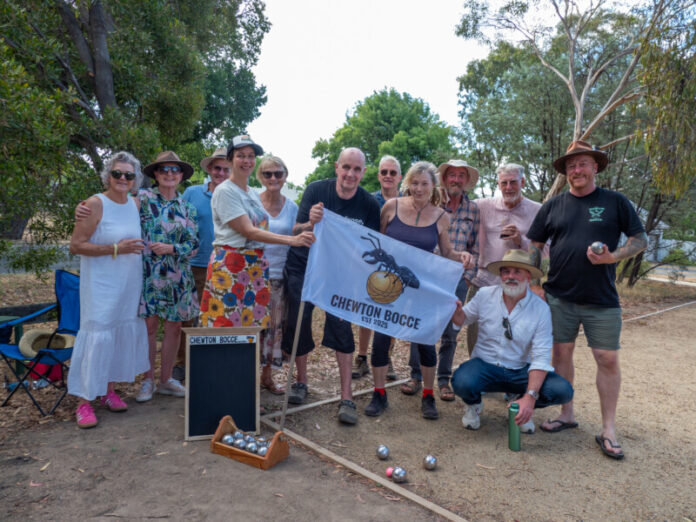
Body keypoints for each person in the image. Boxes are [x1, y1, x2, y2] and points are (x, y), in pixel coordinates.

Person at [527, 140, 647, 460]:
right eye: (570, 166)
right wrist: (535, 282)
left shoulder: (615, 202)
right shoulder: (553, 205)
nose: (576, 170)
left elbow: (640, 240)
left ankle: (608, 428)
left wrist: (612, 258)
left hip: (602, 299)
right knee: (561, 354)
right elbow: (535, 246)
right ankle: (567, 413)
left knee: (607, 358)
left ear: (595, 167)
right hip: (559, 296)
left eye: (582, 164)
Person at [364, 161, 475, 420]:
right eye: (414, 183)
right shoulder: (390, 207)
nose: (418, 188)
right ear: (407, 184)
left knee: (425, 340)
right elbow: (379, 241)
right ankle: (378, 392)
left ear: (433, 186)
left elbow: (446, 252)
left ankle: (427, 394)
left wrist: (463, 256)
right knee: (381, 338)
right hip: (389, 285)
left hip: (420, 287)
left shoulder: (441, 216)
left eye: (424, 183)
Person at [282, 147, 380, 425]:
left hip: (340, 274)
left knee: (341, 328)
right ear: (337, 167)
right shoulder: (316, 191)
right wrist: (310, 222)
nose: (350, 174)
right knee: (298, 323)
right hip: (304, 266)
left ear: (363, 172)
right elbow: (295, 230)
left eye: (357, 169)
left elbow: (370, 247)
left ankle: (346, 396)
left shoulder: (369, 205)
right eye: (346, 167)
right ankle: (301, 381)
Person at [450, 250, 574, 433]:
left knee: (562, 390)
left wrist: (530, 397)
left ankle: (520, 404)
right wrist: (455, 311)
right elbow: (462, 319)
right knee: (462, 381)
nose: (511, 276)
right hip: (485, 365)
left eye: (517, 271)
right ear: (500, 275)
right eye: (506, 271)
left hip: (519, 370)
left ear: (528, 276)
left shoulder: (540, 309)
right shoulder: (485, 295)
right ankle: (474, 405)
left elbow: (541, 357)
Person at [67, 151, 149, 428]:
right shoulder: (94, 204)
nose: (123, 179)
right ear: (107, 176)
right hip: (101, 285)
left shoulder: (136, 204)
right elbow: (76, 245)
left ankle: (107, 391)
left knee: (116, 334)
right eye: (117, 173)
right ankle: (83, 402)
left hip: (128, 283)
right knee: (97, 334)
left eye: (128, 174)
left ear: (135, 179)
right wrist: (116, 248)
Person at [199, 136, 313, 331]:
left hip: (254, 267)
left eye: (251, 156)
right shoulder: (225, 191)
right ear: (230, 160)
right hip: (231, 265)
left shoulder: (251, 193)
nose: (247, 161)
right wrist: (292, 240)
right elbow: (249, 231)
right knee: (227, 326)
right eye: (240, 155)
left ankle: (249, 363)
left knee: (251, 328)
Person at [402, 159, 480, 402]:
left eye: (460, 175)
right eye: (451, 175)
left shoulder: (473, 210)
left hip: (457, 278)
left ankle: (444, 379)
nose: (455, 179)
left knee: (450, 331)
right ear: (444, 179)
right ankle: (415, 375)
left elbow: (476, 247)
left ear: (466, 180)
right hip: (429, 275)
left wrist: (467, 279)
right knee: (420, 324)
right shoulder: (431, 203)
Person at [136, 151, 200, 402]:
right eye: (164, 169)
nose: (169, 174)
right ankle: (148, 380)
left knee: (174, 328)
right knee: (149, 327)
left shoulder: (187, 207)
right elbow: (114, 207)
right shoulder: (142, 198)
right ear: (155, 174)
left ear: (181, 175)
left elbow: (194, 243)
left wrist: (172, 248)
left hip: (178, 275)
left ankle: (166, 380)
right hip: (149, 272)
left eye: (175, 170)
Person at [467, 164, 545, 355]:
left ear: (523, 182)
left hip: (519, 282)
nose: (508, 187)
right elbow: (456, 207)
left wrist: (522, 241)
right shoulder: (482, 206)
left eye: (513, 182)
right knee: (476, 333)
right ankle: (476, 374)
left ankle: (512, 378)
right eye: (504, 183)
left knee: (517, 334)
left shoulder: (538, 210)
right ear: (498, 184)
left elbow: (547, 251)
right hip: (484, 279)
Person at [172, 147, 230, 383]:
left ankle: (209, 363)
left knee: (218, 318)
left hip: (225, 267)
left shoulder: (236, 195)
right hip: (194, 264)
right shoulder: (192, 193)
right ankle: (181, 363)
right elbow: (174, 218)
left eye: (227, 169)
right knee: (187, 317)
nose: (221, 173)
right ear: (209, 169)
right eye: (217, 168)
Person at [353, 155, 402, 381]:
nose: (388, 176)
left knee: (391, 313)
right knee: (367, 310)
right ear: (378, 175)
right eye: (384, 172)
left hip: (398, 265)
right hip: (370, 263)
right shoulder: (367, 200)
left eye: (393, 172)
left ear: (400, 176)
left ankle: (385, 356)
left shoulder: (407, 202)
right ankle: (362, 357)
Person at [256, 155, 298, 395]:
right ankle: (248, 380)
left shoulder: (292, 207)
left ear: (285, 176)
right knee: (256, 329)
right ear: (260, 177)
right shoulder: (252, 202)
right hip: (253, 276)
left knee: (274, 329)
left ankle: (267, 377)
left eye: (278, 174)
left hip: (280, 276)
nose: (273, 178)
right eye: (268, 174)